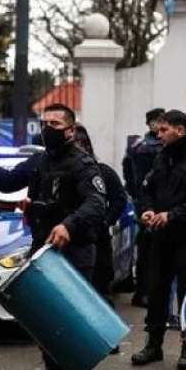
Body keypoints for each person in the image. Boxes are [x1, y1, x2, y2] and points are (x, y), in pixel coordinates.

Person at [0, 103, 106, 370]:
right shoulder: (39, 161)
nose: (47, 128)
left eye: (54, 123)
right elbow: (5, 181)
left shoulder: (84, 165)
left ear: (70, 130)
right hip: (42, 247)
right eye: (44, 122)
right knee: (42, 317)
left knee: (71, 322)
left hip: (75, 250)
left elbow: (96, 204)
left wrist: (68, 225)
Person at [132, 109, 186, 370]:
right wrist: (147, 209)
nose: (158, 135)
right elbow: (146, 188)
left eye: (163, 130)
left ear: (179, 130)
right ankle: (153, 344)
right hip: (161, 236)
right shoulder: (162, 157)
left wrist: (171, 215)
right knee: (156, 289)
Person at [73, 124, 128, 316]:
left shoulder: (103, 172)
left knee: (99, 292)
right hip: (71, 239)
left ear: (86, 146)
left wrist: (106, 221)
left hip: (97, 239)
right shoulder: (62, 172)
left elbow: (119, 199)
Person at [125, 107, 165, 308]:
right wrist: (141, 205)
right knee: (148, 252)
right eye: (157, 121)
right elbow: (137, 180)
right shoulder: (146, 147)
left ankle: (146, 292)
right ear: (149, 123)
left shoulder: (143, 144)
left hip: (154, 202)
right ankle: (143, 292)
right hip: (149, 202)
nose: (160, 125)